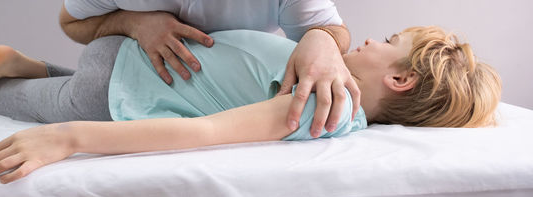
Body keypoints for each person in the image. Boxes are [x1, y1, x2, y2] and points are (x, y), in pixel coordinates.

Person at [0, 26, 501, 184]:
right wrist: (66, 131)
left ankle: (24, 65)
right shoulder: (326, 75)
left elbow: (206, 133)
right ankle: (20, 75)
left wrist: (68, 139)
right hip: (114, 87)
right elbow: (205, 127)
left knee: (28, 97)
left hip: (127, 64)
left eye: (388, 44)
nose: (372, 41)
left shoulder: (323, 106)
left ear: (399, 79)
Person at [58, 0, 360, 138]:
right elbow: (71, 22)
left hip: (145, 86)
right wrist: (132, 21)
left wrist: (324, 37)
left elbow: (335, 29)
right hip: (127, 72)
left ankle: (34, 70)